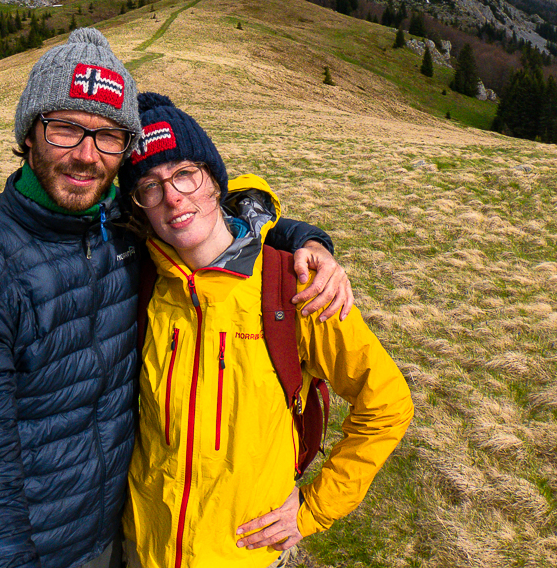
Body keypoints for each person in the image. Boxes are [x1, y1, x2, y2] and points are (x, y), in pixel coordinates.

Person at [0, 29, 352, 568]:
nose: (85, 155)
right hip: (44, 549)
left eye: (108, 137)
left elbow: (211, 216)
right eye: (65, 129)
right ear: (28, 133)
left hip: (133, 532)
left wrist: (301, 240)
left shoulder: (126, 231)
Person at [119, 93, 414, 568]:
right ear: (141, 208)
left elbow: (387, 403)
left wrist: (315, 507)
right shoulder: (144, 281)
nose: (172, 195)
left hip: (245, 556)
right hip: (143, 549)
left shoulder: (295, 287)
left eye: (185, 174)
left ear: (215, 182)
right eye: (150, 187)